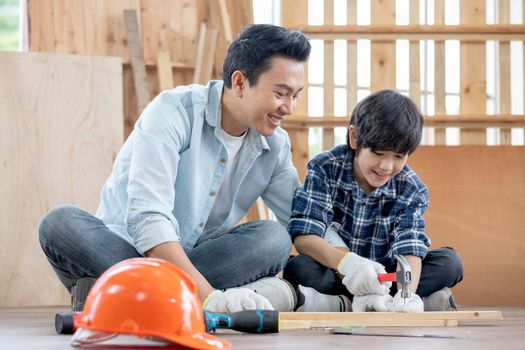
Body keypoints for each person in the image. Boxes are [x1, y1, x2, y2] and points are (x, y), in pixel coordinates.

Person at [39, 24, 311, 313]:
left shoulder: (276, 145)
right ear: (240, 83)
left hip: (194, 259)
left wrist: (352, 265)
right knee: (60, 223)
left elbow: (302, 222)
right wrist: (211, 298)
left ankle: (122, 297)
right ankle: (173, 299)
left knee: (273, 238)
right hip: (124, 249)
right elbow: (148, 218)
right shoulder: (173, 111)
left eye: (296, 95)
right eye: (281, 93)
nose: (289, 107)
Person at [283, 90, 464, 312]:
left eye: (398, 156)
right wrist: (349, 265)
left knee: (450, 263)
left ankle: (381, 302)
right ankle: (372, 301)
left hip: (388, 274)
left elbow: (409, 247)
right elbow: (304, 237)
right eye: (378, 153)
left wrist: (407, 292)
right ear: (354, 138)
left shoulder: (411, 188)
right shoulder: (325, 168)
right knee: (298, 267)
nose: (387, 166)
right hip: (339, 270)